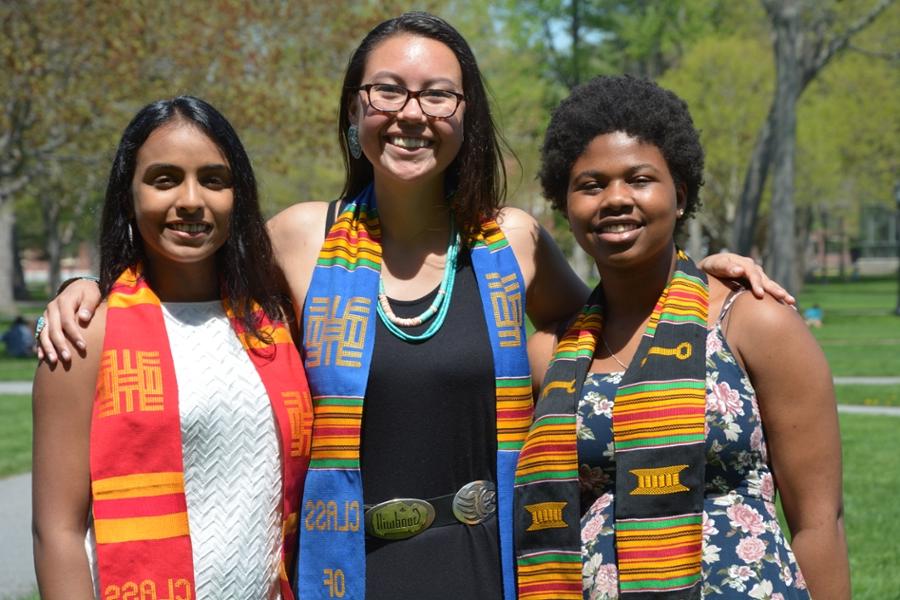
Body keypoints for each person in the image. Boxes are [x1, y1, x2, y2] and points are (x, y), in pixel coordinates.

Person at [35, 14, 792, 600]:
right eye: (386, 91)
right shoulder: (301, 240)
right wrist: (94, 286)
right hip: (350, 569)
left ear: (467, 116)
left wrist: (699, 277)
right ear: (355, 110)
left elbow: (600, 324)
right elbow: (190, 274)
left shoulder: (515, 243)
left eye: (437, 94)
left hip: (488, 566)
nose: (410, 112)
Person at [514, 75, 848, 600]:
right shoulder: (549, 354)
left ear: (680, 193)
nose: (616, 199)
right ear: (565, 203)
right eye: (591, 184)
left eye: (640, 179)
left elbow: (818, 522)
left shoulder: (754, 323)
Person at [31, 96, 313, 599]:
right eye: (164, 179)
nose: (190, 200)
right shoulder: (86, 333)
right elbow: (58, 532)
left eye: (213, 179)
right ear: (129, 196)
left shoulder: (275, 319)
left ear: (238, 195)